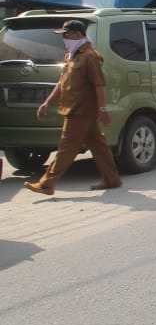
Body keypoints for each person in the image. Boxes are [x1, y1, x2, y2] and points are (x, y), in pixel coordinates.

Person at [23, 19, 123, 195]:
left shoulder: (89, 57)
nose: (64, 39)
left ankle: (47, 184)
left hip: (81, 110)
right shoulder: (71, 56)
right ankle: (111, 179)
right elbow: (62, 83)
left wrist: (103, 110)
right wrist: (47, 102)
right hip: (75, 108)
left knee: (67, 146)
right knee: (98, 145)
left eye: (66, 35)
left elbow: (99, 85)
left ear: (77, 35)